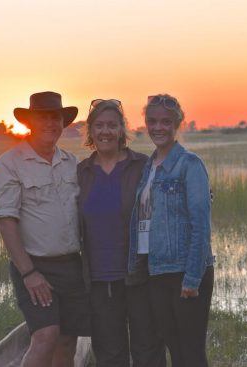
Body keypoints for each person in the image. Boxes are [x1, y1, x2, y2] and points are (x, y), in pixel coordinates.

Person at [0, 91, 90, 367]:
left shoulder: (71, 163)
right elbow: (6, 221)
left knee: (68, 340)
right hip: (34, 266)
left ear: (62, 122)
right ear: (29, 123)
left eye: (55, 117)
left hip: (71, 264)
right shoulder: (9, 165)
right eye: (42, 117)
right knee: (46, 336)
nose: (50, 124)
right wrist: (29, 273)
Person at [77, 99, 165, 367]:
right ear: (90, 131)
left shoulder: (142, 166)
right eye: (99, 126)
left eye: (112, 125)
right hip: (99, 281)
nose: (106, 131)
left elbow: (167, 202)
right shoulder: (81, 172)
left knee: (148, 350)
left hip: (140, 276)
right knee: (109, 354)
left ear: (122, 130)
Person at [128, 94, 215, 367]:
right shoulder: (147, 167)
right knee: (174, 347)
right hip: (157, 270)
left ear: (177, 123)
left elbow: (200, 225)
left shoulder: (189, 164)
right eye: (152, 121)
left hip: (184, 270)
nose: (158, 127)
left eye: (166, 122)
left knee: (190, 353)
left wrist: (192, 278)